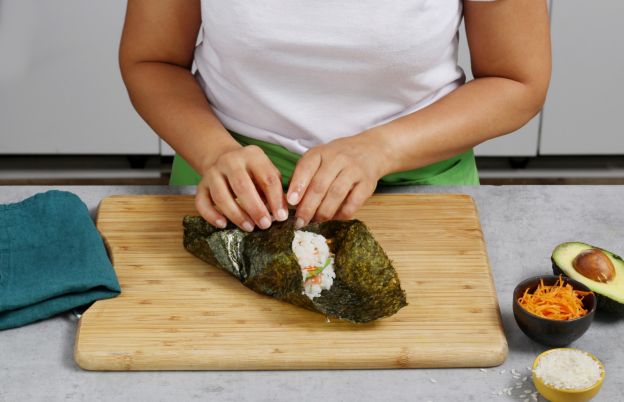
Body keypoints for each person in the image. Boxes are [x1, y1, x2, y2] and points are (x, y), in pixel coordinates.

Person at [120, 0, 550, 232]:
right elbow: (152, 61)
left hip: (418, 182)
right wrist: (214, 153)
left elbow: (517, 81)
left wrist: (382, 149)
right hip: (231, 184)